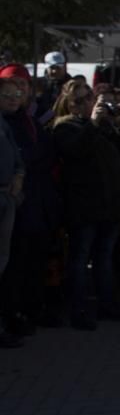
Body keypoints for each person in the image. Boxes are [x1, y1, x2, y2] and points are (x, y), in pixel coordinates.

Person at [50, 80, 120, 330]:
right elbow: (76, 151)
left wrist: (118, 119)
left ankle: (107, 305)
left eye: (88, 97)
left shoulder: (99, 125)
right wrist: (94, 124)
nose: (86, 103)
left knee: (105, 258)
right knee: (79, 260)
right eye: (78, 100)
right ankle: (78, 310)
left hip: (110, 205)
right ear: (68, 103)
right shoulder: (64, 127)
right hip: (84, 207)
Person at [0, 65, 61, 339]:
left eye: (20, 89)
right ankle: (11, 316)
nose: (16, 96)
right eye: (9, 90)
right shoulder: (7, 122)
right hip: (14, 202)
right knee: (12, 265)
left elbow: (45, 155)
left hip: (36, 202)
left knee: (31, 262)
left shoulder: (30, 120)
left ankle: (27, 310)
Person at [0, 78, 25, 347]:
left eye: (16, 94)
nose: (13, 98)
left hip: (6, 198)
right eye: (6, 94)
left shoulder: (6, 124)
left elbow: (18, 161)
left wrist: (18, 176)